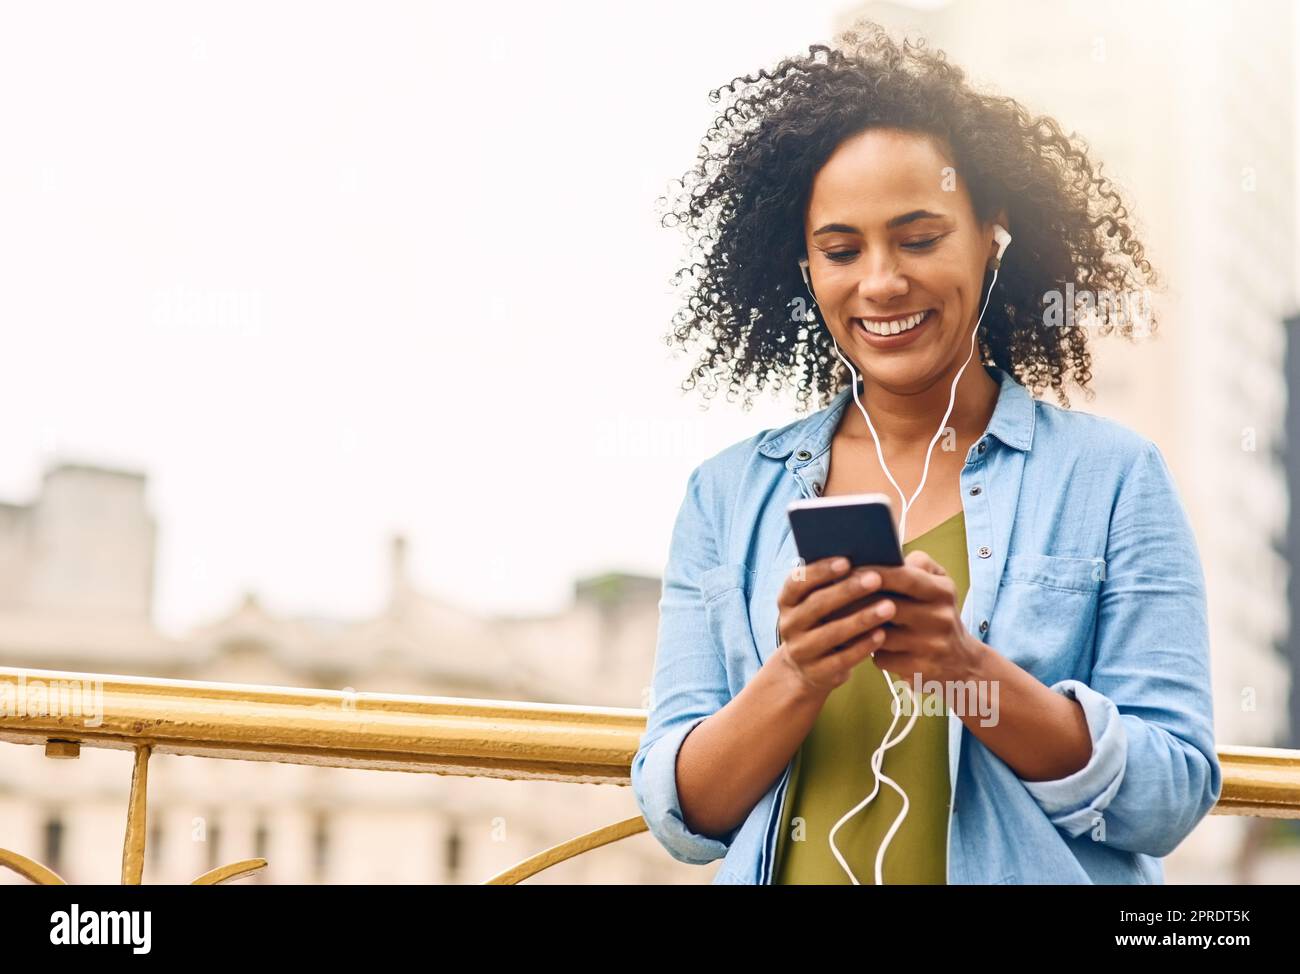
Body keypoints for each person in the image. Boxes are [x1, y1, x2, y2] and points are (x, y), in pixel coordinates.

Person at [631, 19, 1221, 884]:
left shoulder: (1114, 480)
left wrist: (965, 669)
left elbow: (1171, 795)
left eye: (919, 238)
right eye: (841, 250)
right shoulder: (725, 496)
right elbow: (687, 820)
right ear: (804, 266)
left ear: (993, 232)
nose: (881, 282)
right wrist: (795, 672)